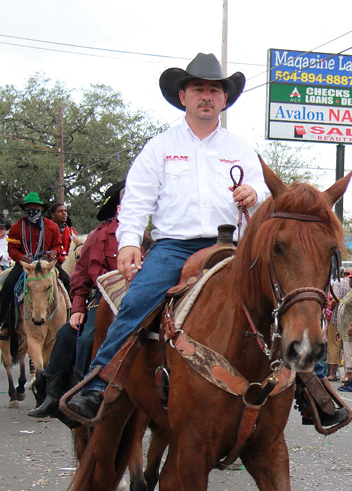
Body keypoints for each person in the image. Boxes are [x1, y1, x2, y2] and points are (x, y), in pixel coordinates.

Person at [66, 53, 270, 420]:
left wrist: (255, 194)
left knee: (286, 298)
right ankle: (98, 384)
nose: (206, 96)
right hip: (174, 247)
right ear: (183, 97)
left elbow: (264, 195)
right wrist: (129, 242)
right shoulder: (160, 147)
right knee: (137, 301)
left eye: (213, 90)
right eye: (198, 89)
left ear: (224, 99)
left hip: (234, 248)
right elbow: (137, 199)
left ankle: (308, 386)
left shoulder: (241, 149)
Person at [28, 182, 129, 419]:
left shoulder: (149, 238)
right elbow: (82, 274)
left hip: (141, 300)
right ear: (119, 208)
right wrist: (78, 308)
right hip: (104, 300)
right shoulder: (100, 235)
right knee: (76, 337)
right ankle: (69, 392)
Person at [0, 194, 64, 341]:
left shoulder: (52, 226)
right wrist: (20, 257)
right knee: (7, 287)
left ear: (41, 209)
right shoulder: (15, 228)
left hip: (47, 265)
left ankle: (73, 322)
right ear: (25, 210)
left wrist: (54, 253)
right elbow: (12, 248)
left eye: (36, 208)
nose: (33, 210)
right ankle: (4, 325)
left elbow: (58, 246)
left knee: (70, 283)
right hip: (26, 266)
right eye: (29, 208)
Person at [326, 267, 351, 381]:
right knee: (347, 348)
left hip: (336, 318)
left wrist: (330, 309)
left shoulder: (338, 283)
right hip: (350, 320)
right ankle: (346, 375)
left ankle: (332, 373)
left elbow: (335, 300)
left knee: (333, 347)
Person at [46, 203, 77, 291]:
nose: (64, 213)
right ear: (52, 215)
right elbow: (50, 248)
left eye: (65, 211)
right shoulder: (47, 228)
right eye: (60, 211)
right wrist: (64, 261)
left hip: (67, 261)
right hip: (51, 261)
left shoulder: (68, 229)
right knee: (67, 281)